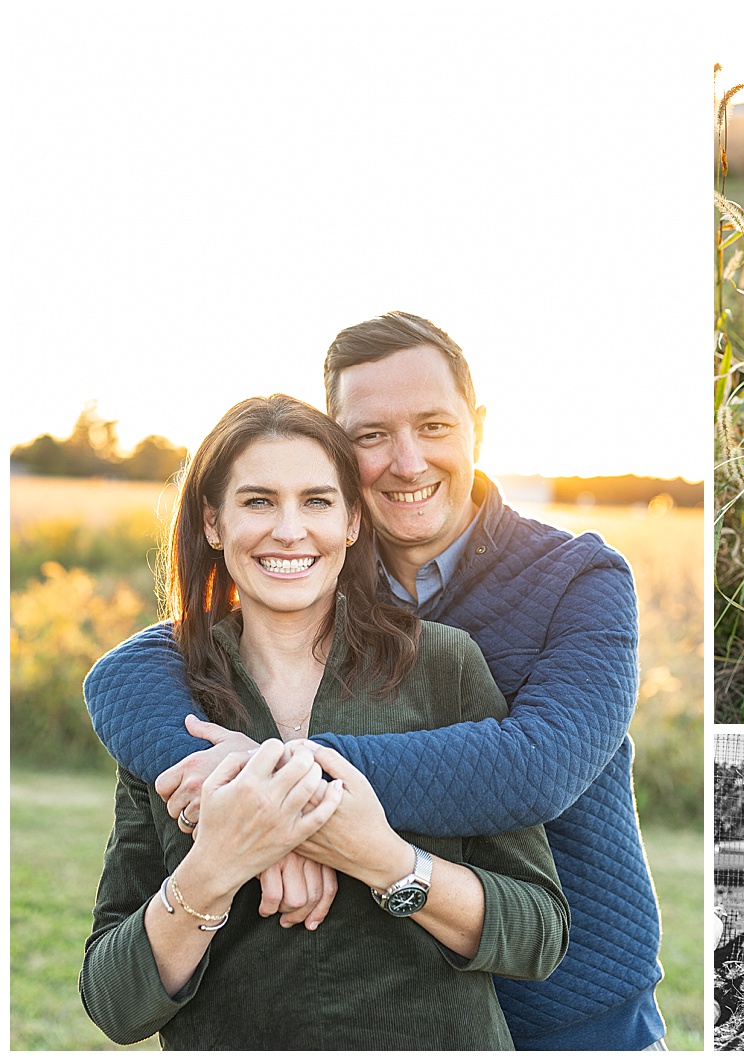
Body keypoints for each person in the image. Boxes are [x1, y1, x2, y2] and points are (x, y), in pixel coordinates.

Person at [83, 312, 668, 1050]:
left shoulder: (577, 578)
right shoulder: (304, 584)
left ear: (477, 426)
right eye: (370, 435)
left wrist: (285, 787)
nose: (407, 460)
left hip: (575, 1010)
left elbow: (539, 765)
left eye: (432, 425)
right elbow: (126, 670)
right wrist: (241, 814)